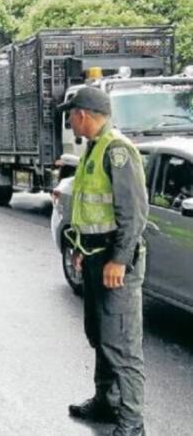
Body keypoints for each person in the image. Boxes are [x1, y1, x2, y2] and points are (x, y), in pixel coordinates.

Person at [58, 87, 148, 436]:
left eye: (71, 114)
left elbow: (134, 214)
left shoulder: (118, 151)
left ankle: (131, 422)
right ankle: (105, 401)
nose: (69, 120)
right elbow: (90, 209)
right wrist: (80, 248)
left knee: (122, 345)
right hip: (95, 257)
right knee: (100, 334)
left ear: (83, 114)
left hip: (115, 262)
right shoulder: (94, 149)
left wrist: (119, 260)